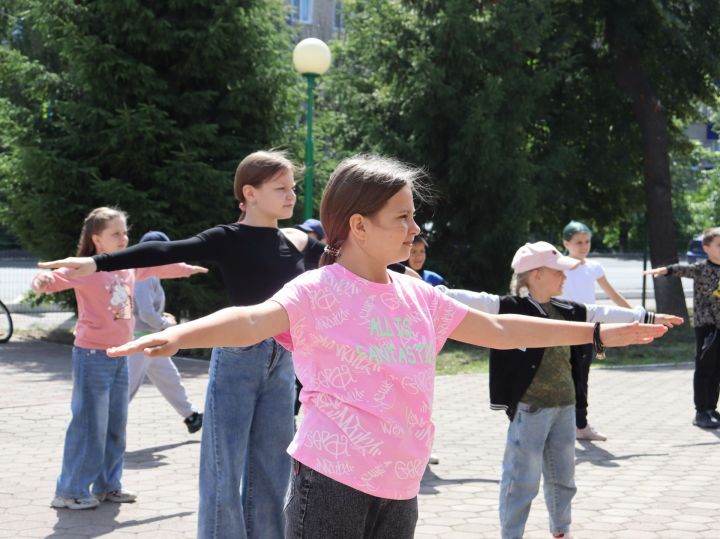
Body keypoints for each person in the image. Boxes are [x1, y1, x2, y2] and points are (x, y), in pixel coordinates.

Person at [104, 155, 668, 538]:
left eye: (414, 218)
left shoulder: (416, 294)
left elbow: (500, 330)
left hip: (401, 483)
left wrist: (594, 332)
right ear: (360, 225)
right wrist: (178, 334)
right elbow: (251, 319)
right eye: (402, 218)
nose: (414, 231)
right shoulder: (317, 289)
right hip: (331, 482)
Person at [38, 151, 326, 539]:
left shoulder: (298, 240)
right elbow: (165, 250)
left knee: (273, 466)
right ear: (250, 193)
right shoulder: (228, 237)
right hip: (239, 356)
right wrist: (96, 263)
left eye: (292, 188)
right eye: (281, 188)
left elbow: (352, 266)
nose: (291, 196)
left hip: (284, 360)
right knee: (224, 466)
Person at [439, 240, 682, 539]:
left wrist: (649, 317)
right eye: (559, 272)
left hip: (565, 406)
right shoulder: (506, 307)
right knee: (521, 481)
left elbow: (601, 313)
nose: (565, 277)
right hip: (531, 410)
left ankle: (561, 531)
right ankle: (511, 535)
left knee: (564, 479)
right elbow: (458, 298)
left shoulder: (568, 309)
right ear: (536, 275)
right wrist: (413, 285)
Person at [32, 207, 206, 511]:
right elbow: (52, 279)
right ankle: (69, 490)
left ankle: (108, 486)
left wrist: (186, 268)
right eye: (116, 234)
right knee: (89, 424)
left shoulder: (129, 267)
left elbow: (160, 266)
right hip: (91, 355)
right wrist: (43, 282)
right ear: (97, 239)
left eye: (125, 232)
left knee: (115, 423)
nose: (124, 238)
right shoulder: (86, 269)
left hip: (120, 354)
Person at [559, 220, 632, 442]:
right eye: (578, 242)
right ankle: (558, 426)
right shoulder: (558, 266)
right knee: (561, 377)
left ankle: (580, 425)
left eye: (587, 242)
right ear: (566, 243)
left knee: (581, 378)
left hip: (587, 330)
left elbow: (612, 294)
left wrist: (637, 315)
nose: (583, 246)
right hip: (560, 330)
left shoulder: (594, 268)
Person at [645, 226, 720, 429]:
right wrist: (664, 270)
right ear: (706, 248)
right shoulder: (701, 268)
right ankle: (700, 412)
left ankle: (712, 408)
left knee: (716, 371)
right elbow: (679, 269)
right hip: (707, 325)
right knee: (705, 368)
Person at [128, 230, 203, 434]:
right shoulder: (145, 275)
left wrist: (162, 320)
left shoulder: (150, 272)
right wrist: (167, 325)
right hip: (140, 341)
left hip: (150, 339)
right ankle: (106, 429)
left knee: (170, 378)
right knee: (125, 391)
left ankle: (191, 416)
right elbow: (146, 313)